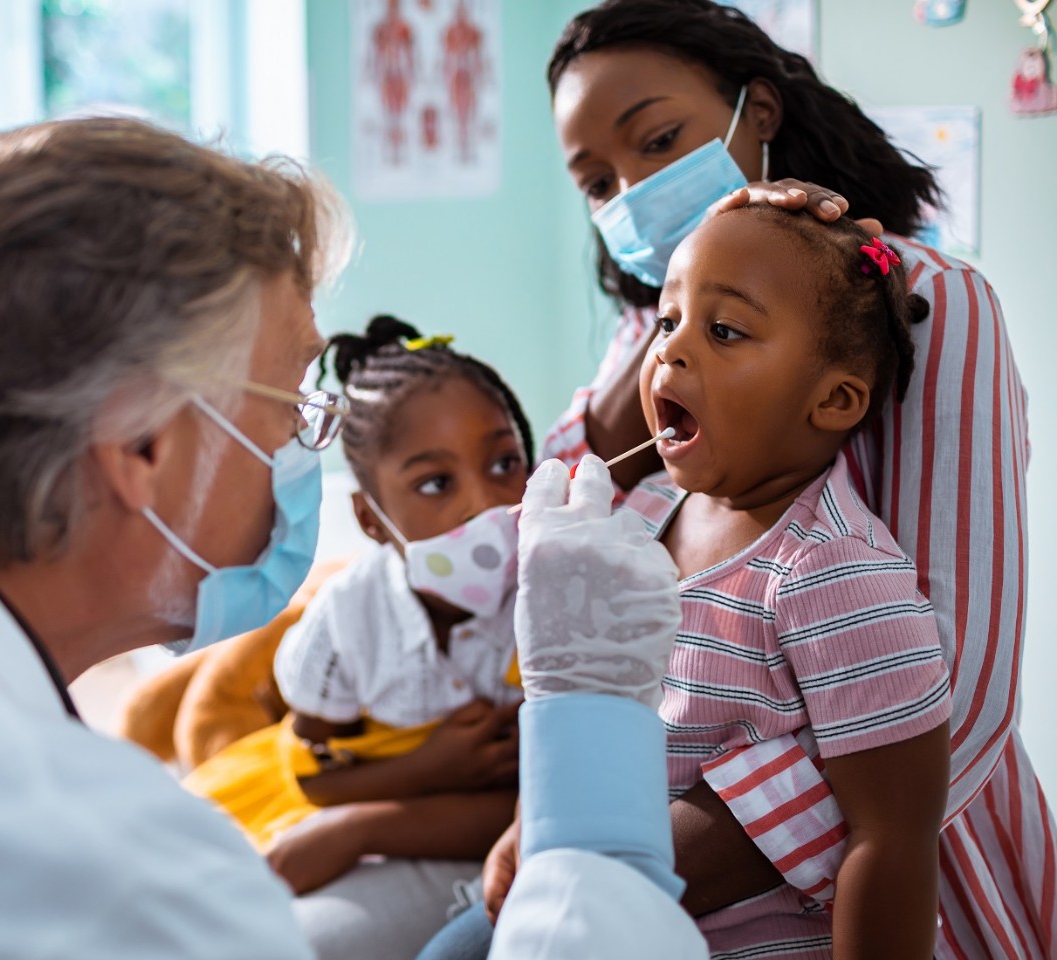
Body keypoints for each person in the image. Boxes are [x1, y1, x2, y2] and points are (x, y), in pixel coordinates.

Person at [0, 116, 699, 959]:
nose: (301, 448)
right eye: (290, 408)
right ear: (141, 447)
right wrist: (596, 772)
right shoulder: (121, 883)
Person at [421, 2, 1052, 957]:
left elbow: (956, 686)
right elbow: (560, 578)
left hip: (871, 879)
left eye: (660, 141)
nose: (631, 190)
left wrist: (653, 863)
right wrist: (555, 821)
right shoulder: (646, 346)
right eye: (598, 182)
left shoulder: (932, 304)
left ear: (758, 113)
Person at [634, 206, 953, 955]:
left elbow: (893, 842)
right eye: (667, 319)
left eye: (724, 331)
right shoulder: (645, 508)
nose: (671, 351)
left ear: (835, 401)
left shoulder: (832, 573)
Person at [196, 317, 532, 956]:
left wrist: (360, 830)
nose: (484, 503)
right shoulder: (348, 619)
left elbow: (540, 802)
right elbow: (314, 773)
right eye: (436, 482)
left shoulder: (553, 596)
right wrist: (427, 767)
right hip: (331, 791)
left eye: (504, 463)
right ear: (369, 519)